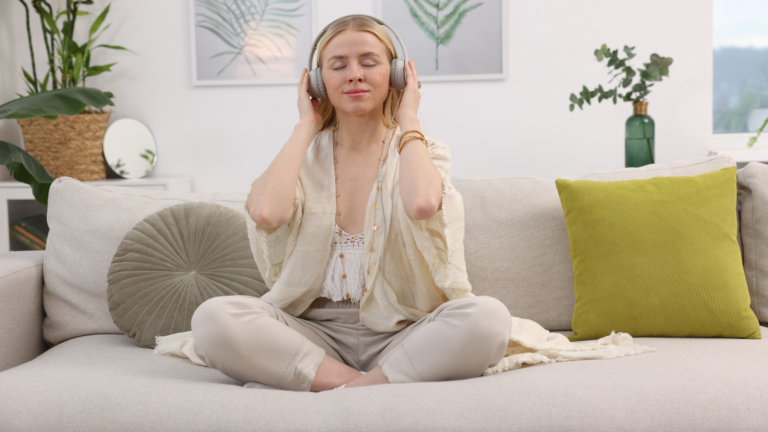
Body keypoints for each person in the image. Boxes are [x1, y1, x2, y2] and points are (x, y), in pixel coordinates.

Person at [190, 15, 512, 392]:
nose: (354, 74)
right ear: (316, 81)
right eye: (338, 66)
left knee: (488, 317)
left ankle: (340, 389)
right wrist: (305, 126)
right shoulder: (303, 155)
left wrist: (409, 117)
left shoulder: (421, 148)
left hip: (403, 332)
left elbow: (423, 204)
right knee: (212, 318)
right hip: (312, 335)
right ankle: (373, 386)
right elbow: (266, 213)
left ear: (395, 75)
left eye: (369, 62)